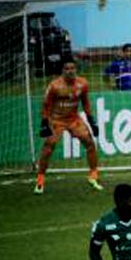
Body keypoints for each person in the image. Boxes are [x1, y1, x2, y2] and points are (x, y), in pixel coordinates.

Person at [34, 59, 102, 194]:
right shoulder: (54, 85)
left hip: (74, 119)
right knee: (48, 147)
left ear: (76, 70)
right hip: (56, 120)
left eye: (72, 68)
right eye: (67, 68)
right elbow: (46, 104)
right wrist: (44, 123)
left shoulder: (82, 84)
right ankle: (40, 180)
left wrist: (91, 120)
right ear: (62, 71)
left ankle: (93, 176)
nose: (70, 71)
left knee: (90, 143)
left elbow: (86, 103)